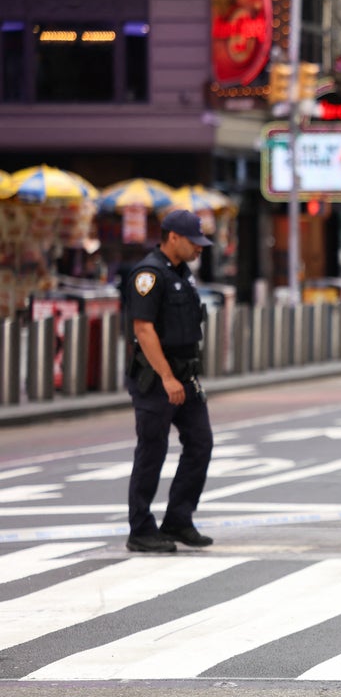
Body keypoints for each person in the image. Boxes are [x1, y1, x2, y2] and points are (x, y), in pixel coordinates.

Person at [123, 209, 215, 553]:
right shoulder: (148, 274)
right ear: (173, 237)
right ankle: (141, 529)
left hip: (185, 377)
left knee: (200, 442)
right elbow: (143, 330)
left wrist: (182, 377)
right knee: (152, 451)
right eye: (194, 242)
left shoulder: (181, 272)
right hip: (156, 379)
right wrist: (166, 377)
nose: (200, 249)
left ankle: (178, 518)